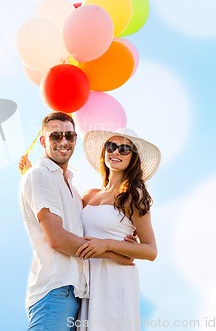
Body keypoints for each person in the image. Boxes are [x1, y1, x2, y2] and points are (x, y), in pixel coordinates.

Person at [19, 112, 135, 331]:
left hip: (76, 292)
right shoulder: (40, 175)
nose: (63, 142)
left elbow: (95, 221)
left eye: (70, 136)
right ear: (43, 141)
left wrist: (121, 234)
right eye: (55, 136)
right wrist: (112, 253)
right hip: (55, 290)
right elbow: (58, 239)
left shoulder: (71, 188)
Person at [75, 127, 161, 331]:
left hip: (115, 279)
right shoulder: (89, 195)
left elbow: (150, 250)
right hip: (87, 279)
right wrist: (38, 172)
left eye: (124, 149)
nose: (116, 153)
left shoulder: (134, 195)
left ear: (133, 159)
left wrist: (107, 245)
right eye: (111, 146)